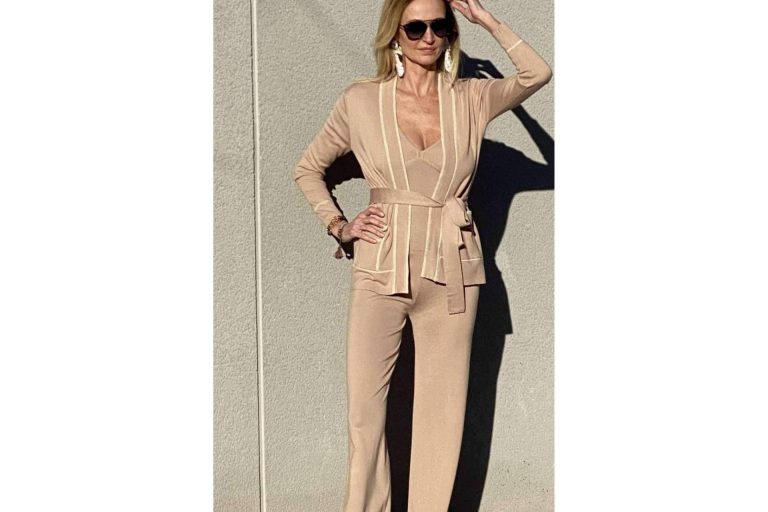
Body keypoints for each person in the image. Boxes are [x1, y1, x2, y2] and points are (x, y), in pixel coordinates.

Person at [292, 0, 552, 509]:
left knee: (442, 417)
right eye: (415, 27)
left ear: (450, 31)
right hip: (380, 266)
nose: (428, 36)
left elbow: (537, 74)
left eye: (439, 25)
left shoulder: (471, 98)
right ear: (395, 33)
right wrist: (340, 226)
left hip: (453, 270)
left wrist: (487, 22)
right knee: (365, 417)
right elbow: (308, 169)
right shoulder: (361, 101)